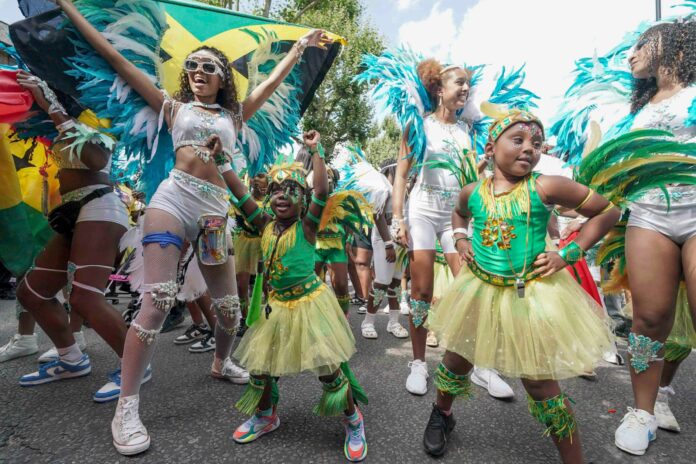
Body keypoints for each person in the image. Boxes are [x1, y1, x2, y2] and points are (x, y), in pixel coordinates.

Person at [56, 0, 330, 455]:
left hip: (214, 212)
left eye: (209, 66)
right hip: (171, 198)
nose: (199, 70)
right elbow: (115, 57)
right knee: (158, 299)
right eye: (192, 66)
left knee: (229, 311)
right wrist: (69, 7)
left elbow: (274, 80)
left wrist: (299, 46)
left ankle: (222, 362)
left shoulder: (236, 116)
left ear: (223, 77)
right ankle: (127, 407)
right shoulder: (170, 106)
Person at [423, 108, 618, 462]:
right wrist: (462, 239)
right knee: (456, 360)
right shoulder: (472, 192)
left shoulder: (547, 185)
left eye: (536, 143)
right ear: (490, 148)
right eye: (518, 140)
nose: (529, 148)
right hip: (479, 290)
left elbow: (608, 212)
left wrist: (569, 253)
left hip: (530, 295)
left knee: (540, 381)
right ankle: (442, 414)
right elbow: (459, 214)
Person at [223, 130, 368, 462]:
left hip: (309, 304)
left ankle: (353, 419)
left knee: (329, 369)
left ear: (303, 200)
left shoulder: (307, 226)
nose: (282, 197)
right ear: (268, 200)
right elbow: (240, 191)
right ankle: (265, 415)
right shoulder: (263, 224)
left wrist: (316, 151)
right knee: (260, 368)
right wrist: (222, 162)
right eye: (275, 192)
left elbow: (322, 190)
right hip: (276, 307)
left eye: (292, 191)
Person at [13, 70, 136, 403]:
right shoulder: (70, 114)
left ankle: (135, 366)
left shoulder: (102, 112)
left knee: (85, 299)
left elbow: (95, 158)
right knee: (32, 293)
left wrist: (51, 105)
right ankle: (70, 359)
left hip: (100, 206)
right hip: (70, 211)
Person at [612, 21, 696, 456]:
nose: (630, 55)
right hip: (648, 217)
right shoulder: (635, 113)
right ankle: (643, 414)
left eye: (640, 44)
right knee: (648, 320)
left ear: (673, 44)